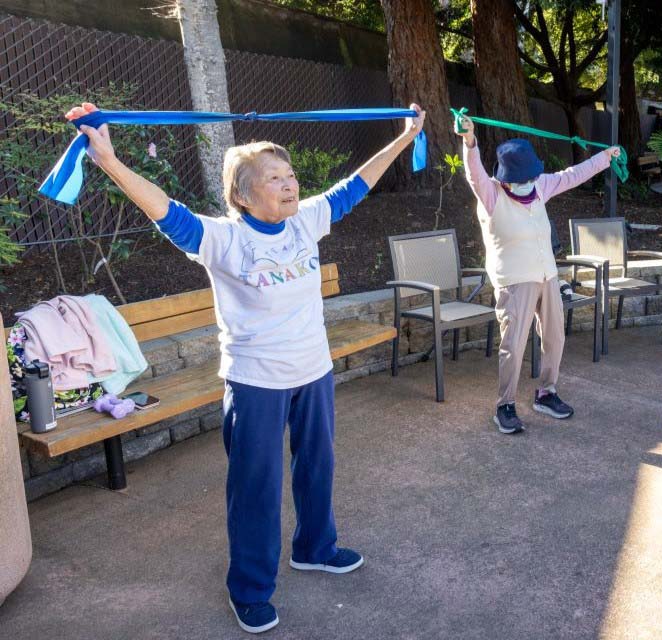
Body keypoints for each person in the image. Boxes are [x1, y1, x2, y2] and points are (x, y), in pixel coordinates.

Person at [64, 100, 427, 634]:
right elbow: (164, 209)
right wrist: (110, 161)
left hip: (313, 370)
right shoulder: (224, 239)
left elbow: (357, 183)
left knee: (317, 467)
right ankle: (251, 589)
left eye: (291, 175)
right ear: (241, 194)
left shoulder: (307, 222)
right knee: (256, 487)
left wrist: (403, 136)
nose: (289, 185)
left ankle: (315, 547)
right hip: (255, 380)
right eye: (274, 178)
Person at [455, 115, 620, 434]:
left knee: (555, 337)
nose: (528, 182)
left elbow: (573, 175)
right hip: (514, 282)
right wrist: (469, 140)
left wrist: (605, 157)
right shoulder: (491, 195)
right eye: (521, 178)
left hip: (547, 276)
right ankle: (505, 404)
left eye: (531, 176)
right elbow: (473, 173)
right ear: (505, 177)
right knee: (513, 345)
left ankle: (547, 392)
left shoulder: (540, 186)